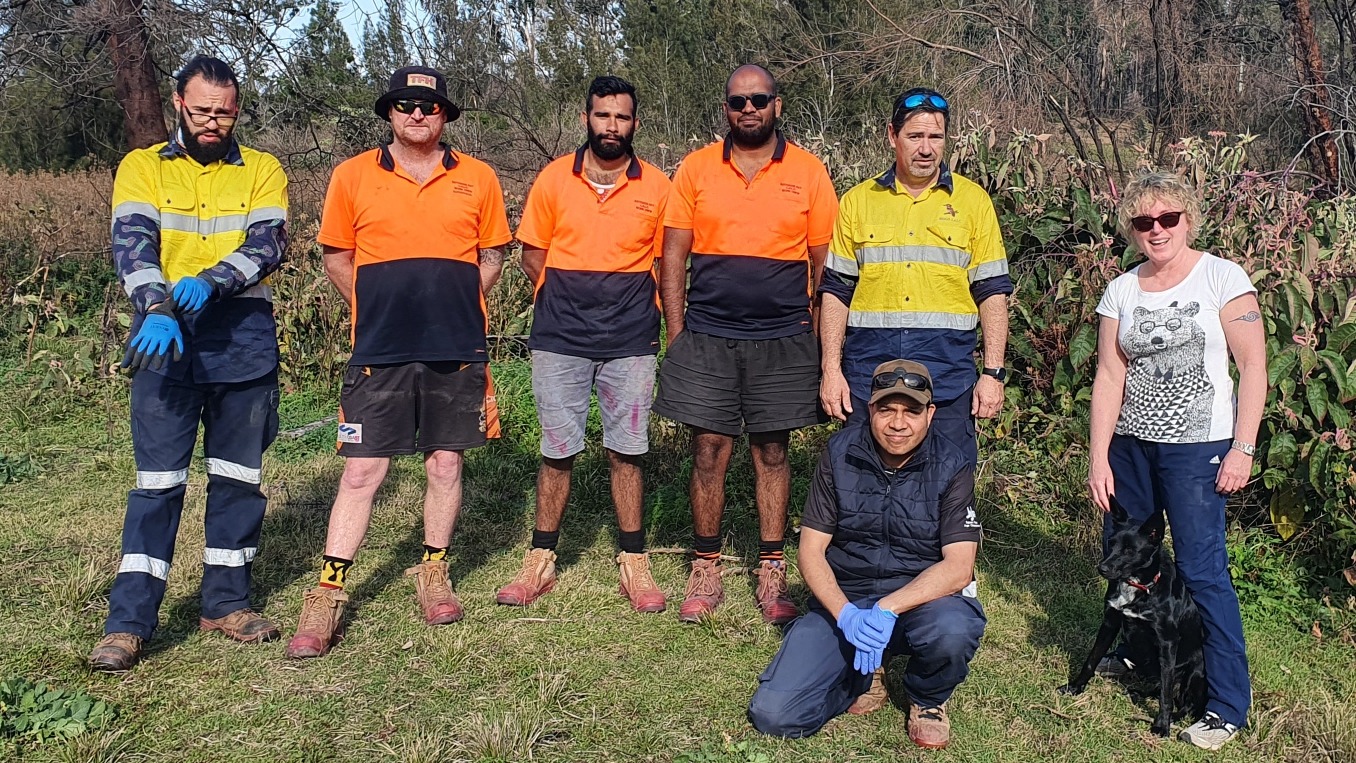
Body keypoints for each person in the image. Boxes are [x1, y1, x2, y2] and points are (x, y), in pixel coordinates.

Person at [284, 66, 511, 659]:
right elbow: (338, 258)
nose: (417, 114)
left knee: (444, 464)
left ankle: (433, 570)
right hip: (378, 351)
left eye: (429, 106)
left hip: (456, 349)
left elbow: (493, 256)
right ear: (389, 112)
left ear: (445, 116)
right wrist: (381, 308)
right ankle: (328, 592)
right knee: (362, 472)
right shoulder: (352, 175)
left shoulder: (478, 178)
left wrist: (456, 303)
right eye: (406, 104)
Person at [91, 55, 289, 671]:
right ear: (179, 101)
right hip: (164, 339)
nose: (213, 121)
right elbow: (132, 244)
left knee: (237, 479)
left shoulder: (262, 169)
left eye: (225, 113)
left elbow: (268, 243)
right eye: (203, 110)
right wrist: (155, 305)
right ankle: (128, 622)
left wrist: (211, 281)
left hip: (242, 342)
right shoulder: (142, 167)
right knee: (158, 485)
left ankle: (225, 602)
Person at [652, 64, 838, 624]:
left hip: (783, 338)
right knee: (708, 449)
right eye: (738, 102)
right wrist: (679, 334)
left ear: (777, 105)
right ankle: (705, 563)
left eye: (759, 99)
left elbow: (826, 265)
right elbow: (672, 258)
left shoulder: (808, 171)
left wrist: (814, 330)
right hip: (707, 335)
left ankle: (771, 567)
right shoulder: (696, 169)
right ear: (726, 109)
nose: (748, 109)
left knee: (773, 451)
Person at [1087, 170, 1265, 750]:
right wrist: (1098, 457)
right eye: (1144, 221)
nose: (1156, 230)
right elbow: (1110, 376)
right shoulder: (1122, 290)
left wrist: (1242, 446)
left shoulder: (1222, 278)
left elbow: (1254, 370)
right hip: (1131, 448)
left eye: (1168, 219)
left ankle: (1226, 703)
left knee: (1202, 568)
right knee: (1128, 558)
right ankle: (1138, 655)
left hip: (1199, 449)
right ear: (1132, 230)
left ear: (1188, 220)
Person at [495, 75, 671, 613]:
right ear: (585, 118)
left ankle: (634, 562)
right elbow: (533, 256)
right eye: (603, 116)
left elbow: (669, 264)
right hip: (560, 339)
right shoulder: (552, 180)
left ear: (634, 122)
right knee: (557, 449)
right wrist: (568, 300)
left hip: (631, 340)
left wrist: (644, 313)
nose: (612, 126)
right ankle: (541, 559)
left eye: (622, 117)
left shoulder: (658, 186)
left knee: (628, 451)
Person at [747, 360, 985, 749]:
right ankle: (861, 673)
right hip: (847, 600)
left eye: (911, 410)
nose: (898, 423)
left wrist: (888, 608)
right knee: (775, 715)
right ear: (870, 410)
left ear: (931, 414)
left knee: (953, 630)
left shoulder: (954, 463)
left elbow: (959, 567)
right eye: (886, 409)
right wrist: (846, 614)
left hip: (919, 601)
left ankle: (928, 698)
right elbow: (810, 551)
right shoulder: (839, 453)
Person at [818, 87, 1012, 466]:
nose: (926, 148)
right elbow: (836, 291)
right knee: (860, 483)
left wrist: (993, 373)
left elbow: (992, 293)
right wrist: (830, 370)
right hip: (868, 373)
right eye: (915, 136)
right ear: (892, 135)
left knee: (948, 486)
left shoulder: (973, 203)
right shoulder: (858, 201)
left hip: (947, 375)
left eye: (936, 137)